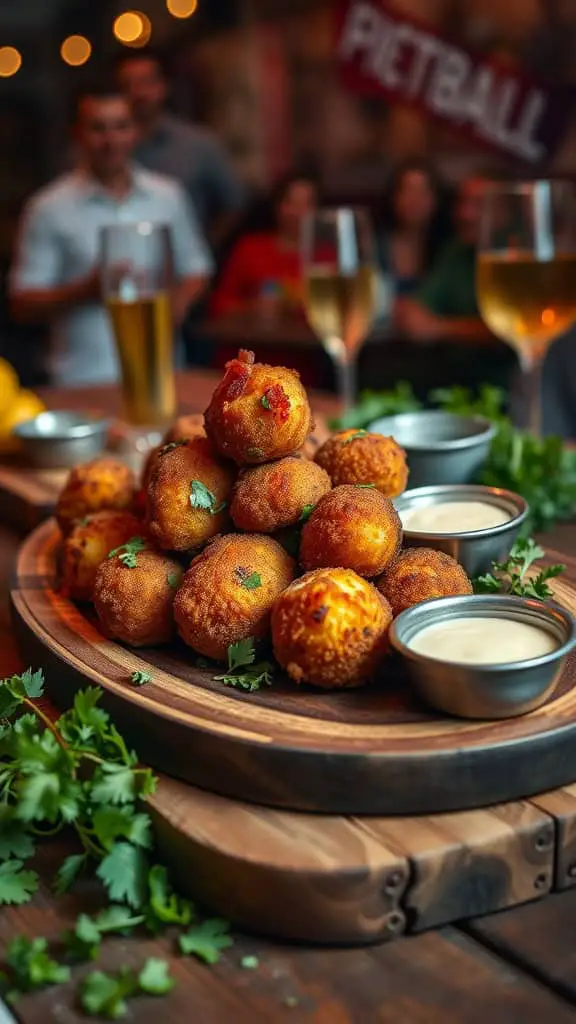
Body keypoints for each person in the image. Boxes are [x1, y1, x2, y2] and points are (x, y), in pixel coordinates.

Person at [10, 82, 212, 387]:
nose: (110, 140)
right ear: (77, 134)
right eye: (98, 128)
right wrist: (85, 290)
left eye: (120, 126)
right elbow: (21, 303)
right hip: (82, 379)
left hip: (161, 373)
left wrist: (177, 303)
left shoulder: (168, 195)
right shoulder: (48, 207)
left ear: (136, 131)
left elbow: (197, 267)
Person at [396, 174, 515, 392]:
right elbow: (416, 311)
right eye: (462, 202)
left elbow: (512, 330)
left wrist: (438, 327)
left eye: (479, 205)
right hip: (454, 383)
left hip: (510, 387)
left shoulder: (519, 257)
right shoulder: (455, 253)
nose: (465, 214)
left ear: (504, 212)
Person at [115, 49, 245, 246]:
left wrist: (202, 247)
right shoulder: (104, 149)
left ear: (163, 86)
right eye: (127, 85)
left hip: (186, 266)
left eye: (146, 82)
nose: (137, 92)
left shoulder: (199, 145)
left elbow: (234, 205)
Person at [210, 171, 318, 318]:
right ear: (277, 206)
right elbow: (218, 306)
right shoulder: (250, 249)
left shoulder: (328, 256)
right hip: (254, 338)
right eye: (291, 203)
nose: (298, 213)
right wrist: (254, 308)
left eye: (307, 204)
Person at [377, 159, 448, 300]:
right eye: (407, 191)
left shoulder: (448, 250)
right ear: (393, 197)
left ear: (436, 199)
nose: (414, 201)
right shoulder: (374, 246)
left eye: (422, 193)